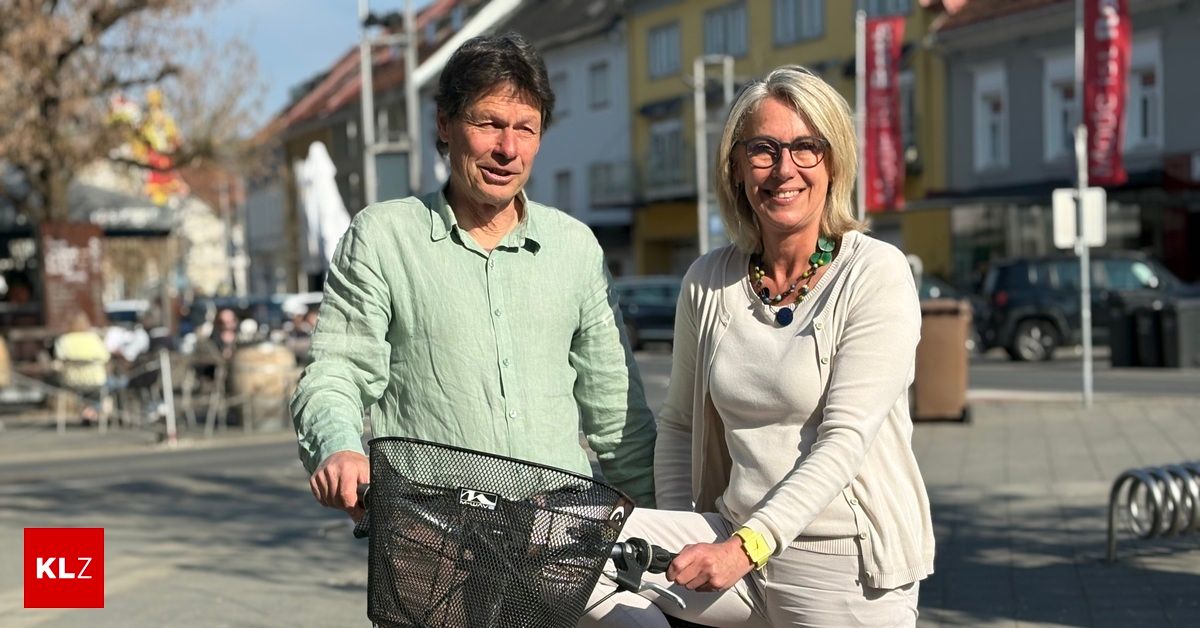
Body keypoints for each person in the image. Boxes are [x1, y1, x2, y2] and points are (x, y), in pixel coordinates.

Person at [583, 65, 934, 627]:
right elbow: (677, 425)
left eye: (805, 148)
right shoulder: (709, 279)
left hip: (839, 561)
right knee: (564, 546)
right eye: (764, 149)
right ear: (738, 166)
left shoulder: (876, 273)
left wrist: (746, 547)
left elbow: (844, 440)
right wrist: (682, 551)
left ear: (834, 161)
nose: (784, 169)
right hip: (727, 536)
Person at [291, 32, 656, 523]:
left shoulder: (574, 248)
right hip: (432, 538)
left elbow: (618, 418)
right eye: (489, 123)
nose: (508, 149)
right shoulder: (384, 237)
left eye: (526, 129)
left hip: (559, 538)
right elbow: (337, 372)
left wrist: (660, 523)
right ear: (444, 123)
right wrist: (338, 449)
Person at [54, 312, 112, 424]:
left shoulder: (64, 340)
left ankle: (88, 410)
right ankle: (92, 410)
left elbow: (59, 360)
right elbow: (106, 358)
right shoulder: (94, 338)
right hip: (96, 381)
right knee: (114, 384)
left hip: (71, 381)